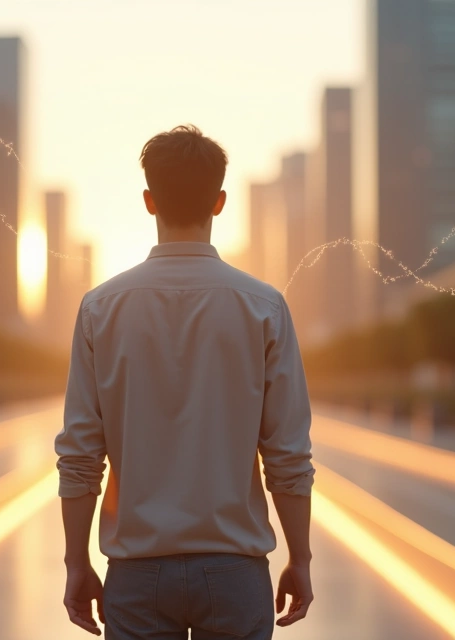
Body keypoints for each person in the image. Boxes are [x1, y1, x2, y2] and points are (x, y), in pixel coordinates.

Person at [56, 125, 314, 639]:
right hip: (236, 571)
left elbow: (82, 456)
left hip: (136, 573)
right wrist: (300, 558)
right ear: (219, 202)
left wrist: (76, 563)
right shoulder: (263, 307)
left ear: (149, 201)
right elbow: (287, 455)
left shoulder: (101, 308)